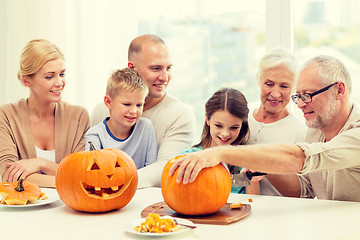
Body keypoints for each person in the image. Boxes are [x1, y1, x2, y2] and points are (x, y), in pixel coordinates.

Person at [169, 55, 360, 202]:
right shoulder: (315, 131)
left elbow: (301, 158)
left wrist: (219, 153)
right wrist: (264, 166)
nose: (300, 104)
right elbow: (304, 190)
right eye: (298, 96)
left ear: (339, 91)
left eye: (308, 95)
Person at [90, 34, 195, 187]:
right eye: (156, 68)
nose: (165, 77)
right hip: (104, 200)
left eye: (168, 68)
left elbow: (166, 169)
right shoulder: (102, 111)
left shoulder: (180, 115)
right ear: (132, 68)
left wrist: (112, 180)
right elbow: (88, 162)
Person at [0, 39, 89, 188]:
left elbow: (81, 173)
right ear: (27, 81)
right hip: (26, 208)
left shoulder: (79, 116)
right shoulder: (6, 115)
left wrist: (41, 164)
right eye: (49, 76)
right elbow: (8, 175)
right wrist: (68, 179)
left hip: (70, 208)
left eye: (62, 74)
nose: (60, 82)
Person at [247, 48, 307, 196]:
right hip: (237, 210)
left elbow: (304, 193)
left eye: (284, 86)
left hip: (278, 216)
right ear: (258, 80)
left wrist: (264, 162)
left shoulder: (300, 131)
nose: (275, 94)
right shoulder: (241, 119)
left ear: (294, 87)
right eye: (269, 84)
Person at [181, 88, 260, 194]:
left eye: (234, 127)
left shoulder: (244, 162)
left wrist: (252, 173)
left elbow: (252, 201)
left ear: (242, 125)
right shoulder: (188, 159)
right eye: (218, 125)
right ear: (207, 119)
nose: (225, 134)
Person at [85, 68, 157, 169]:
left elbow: (151, 168)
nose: (134, 111)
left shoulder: (146, 127)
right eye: (127, 104)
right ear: (108, 102)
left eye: (139, 105)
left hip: (142, 184)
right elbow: (93, 172)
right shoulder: (94, 135)